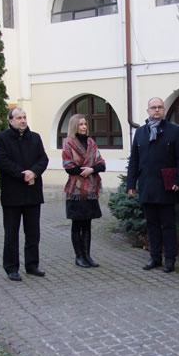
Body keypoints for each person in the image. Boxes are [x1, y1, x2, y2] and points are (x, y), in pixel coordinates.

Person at [126, 97, 179, 273]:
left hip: (168, 185)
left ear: (164, 110)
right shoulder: (140, 133)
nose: (157, 110)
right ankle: (155, 258)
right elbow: (134, 160)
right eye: (153, 107)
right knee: (152, 225)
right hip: (147, 185)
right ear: (148, 111)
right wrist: (131, 184)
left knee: (168, 225)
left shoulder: (174, 131)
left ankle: (170, 260)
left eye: (160, 107)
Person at [0, 107, 49, 281]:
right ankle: (11, 267)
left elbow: (43, 159)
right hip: (13, 194)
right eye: (19, 118)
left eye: (24, 117)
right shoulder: (1, 138)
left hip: (33, 192)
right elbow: (2, 161)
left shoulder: (35, 137)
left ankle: (32, 265)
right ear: (10, 121)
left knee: (33, 233)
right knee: (11, 233)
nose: (23, 120)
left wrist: (33, 172)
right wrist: (23, 175)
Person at [62, 114, 106, 268]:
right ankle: (79, 257)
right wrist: (86, 170)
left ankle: (87, 256)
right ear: (75, 126)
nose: (84, 127)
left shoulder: (91, 143)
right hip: (76, 190)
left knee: (87, 223)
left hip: (91, 190)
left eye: (85, 124)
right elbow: (68, 166)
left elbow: (102, 164)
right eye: (81, 124)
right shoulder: (68, 143)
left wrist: (91, 169)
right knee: (77, 223)